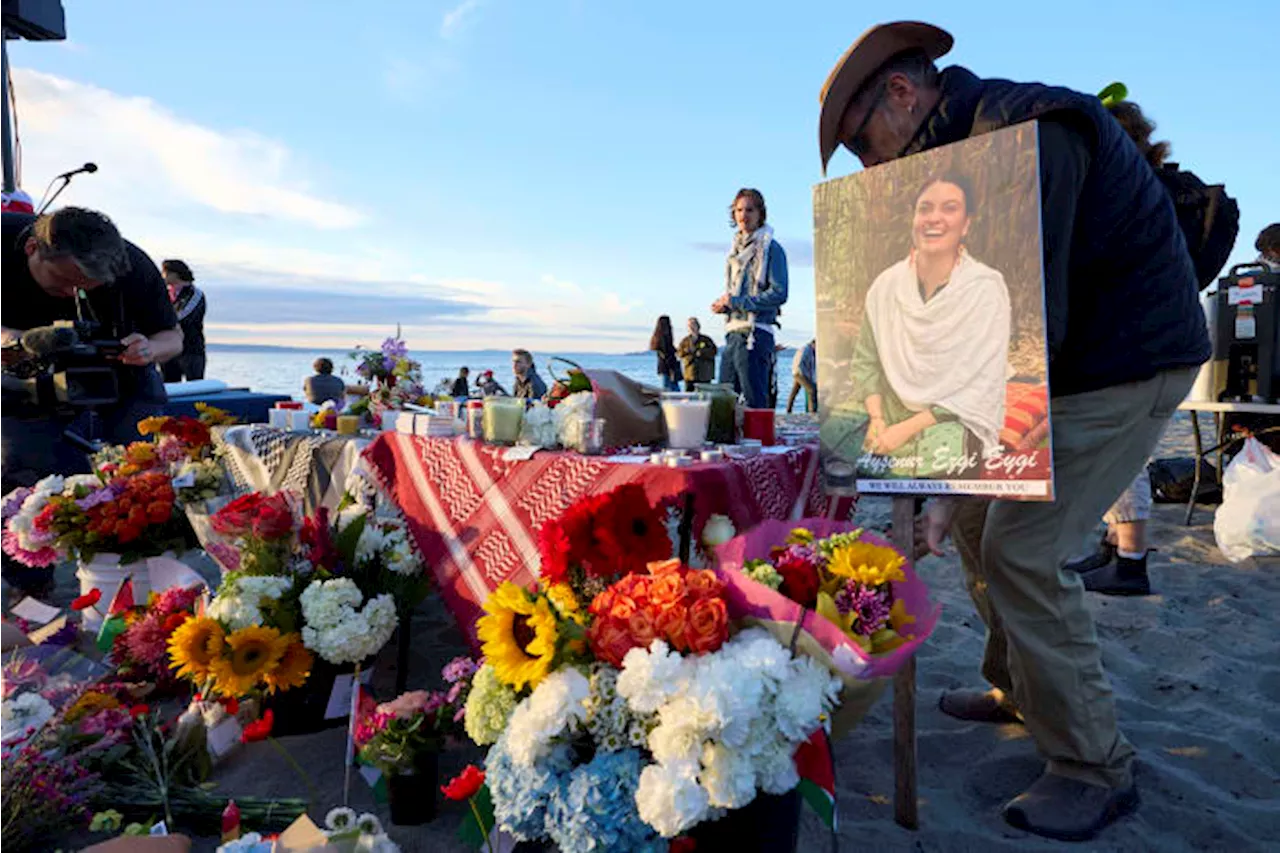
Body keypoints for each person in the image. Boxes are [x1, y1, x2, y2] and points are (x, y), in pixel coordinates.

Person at [819, 22, 1207, 840]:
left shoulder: (1026, 130)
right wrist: (936, 474)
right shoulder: (962, 158)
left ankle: (1092, 763)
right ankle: (1019, 686)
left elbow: (1033, 326)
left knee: (1022, 545)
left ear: (900, 93)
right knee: (966, 519)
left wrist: (955, 463)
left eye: (862, 142)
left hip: (1126, 361)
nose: (868, 166)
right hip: (1070, 361)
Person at [0, 207, 182, 592]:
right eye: (65, 282)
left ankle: (139, 575)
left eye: (87, 287)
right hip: (19, 374)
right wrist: (17, 342)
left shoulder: (131, 264)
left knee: (144, 474)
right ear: (33, 248)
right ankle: (31, 585)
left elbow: (173, 337)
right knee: (29, 478)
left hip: (120, 374)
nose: (72, 294)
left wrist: (149, 348)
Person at [850, 174, 1010, 468]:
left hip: (954, 414)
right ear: (913, 219)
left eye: (949, 208)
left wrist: (904, 430)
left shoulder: (984, 288)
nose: (934, 218)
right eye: (925, 209)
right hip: (888, 408)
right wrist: (877, 419)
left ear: (966, 224)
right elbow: (865, 362)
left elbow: (979, 384)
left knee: (943, 457)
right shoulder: (886, 286)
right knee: (839, 439)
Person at [711, 188, 788, 409]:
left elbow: (780, 293)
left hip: (756, 333)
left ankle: (760, 442)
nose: (744, 215)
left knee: (755, 403)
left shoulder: (771, 249)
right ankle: (728, 443)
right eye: (739, 210)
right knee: (723, 402)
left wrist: (737, 302)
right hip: (732, 334)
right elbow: (737, 294)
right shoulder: (734, 254)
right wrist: (725, 306)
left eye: (750, 210)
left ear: (760, 213)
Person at [159, 259, 206, 383]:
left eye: (164, 272)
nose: (162, 276)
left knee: (195, 388)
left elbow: (185, 315)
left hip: (190, 351)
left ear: (175, 274)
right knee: (169, 388)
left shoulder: (196, 294)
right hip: (168, 350)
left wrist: (163, 321)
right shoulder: (165, 294)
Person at [676, 317, 718, 391]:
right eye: (689, 326)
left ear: (698, 326)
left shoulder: (706, 340)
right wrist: (688, 351)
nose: (691, 327)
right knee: (689, 397)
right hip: (690, 374)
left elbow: (714, 351)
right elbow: (679, 353)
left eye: (693, 325)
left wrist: (702, 353)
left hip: (704, 374)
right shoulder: (685, 341)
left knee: (705, 396)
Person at [649, 315, 681, 391]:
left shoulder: (658, 338)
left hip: (664, 366)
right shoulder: (664, 338)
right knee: (671, 388)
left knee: (668, 387)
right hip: (668, 366)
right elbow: (667, 352)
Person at [787, 339, 818, 413]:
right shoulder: (806, 350)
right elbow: (800, 364)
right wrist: (805, 376)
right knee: (811, 390)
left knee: (794, 392)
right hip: (799, 373)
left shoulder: (811, 351)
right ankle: (812, 412)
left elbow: (811, 366)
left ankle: (788, 411)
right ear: (814, 344)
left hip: (798, 373)